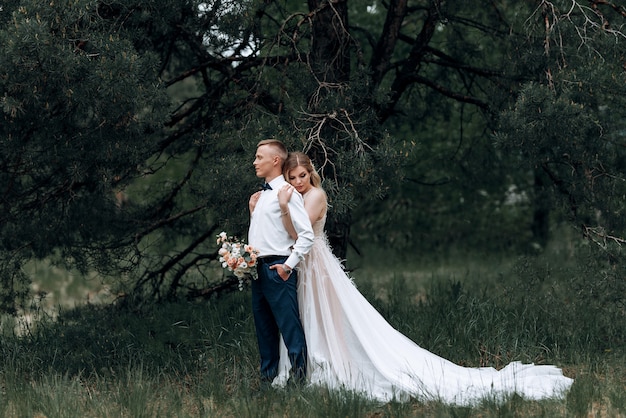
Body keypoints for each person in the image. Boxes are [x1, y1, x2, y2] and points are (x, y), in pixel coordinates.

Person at [270, 151, 573, 406]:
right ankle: (304, 368)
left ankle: (329, 365)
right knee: (304, 315)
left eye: (303, 176)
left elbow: (300, 234)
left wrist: (283, 209)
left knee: (323, 315)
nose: (298, 182)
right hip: (302, 265)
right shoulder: (296, 196)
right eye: (293, 177)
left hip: (316, 266)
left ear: (311, 174)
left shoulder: (315, 196)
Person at [247, 140, 315, 388]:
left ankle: (298, 380)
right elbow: (264, 233)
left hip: (278, 268)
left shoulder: (287, 193)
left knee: (289, 326)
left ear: (275, 160)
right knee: (264, 328)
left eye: (259, 157)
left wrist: (288, 266)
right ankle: (267, 379)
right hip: (256, 269)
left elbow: (306, 235)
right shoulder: (261, 195)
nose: (255, 162)